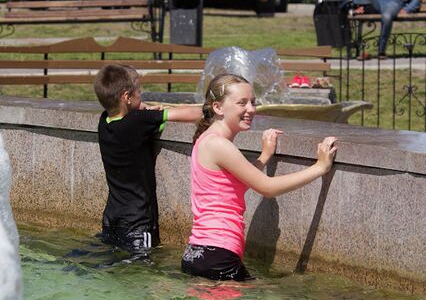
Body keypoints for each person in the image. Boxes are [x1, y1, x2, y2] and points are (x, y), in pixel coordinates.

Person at [181, 74, 337, 281]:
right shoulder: (219, 145)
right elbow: (267, 188)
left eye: (253, 102)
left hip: (198, 253)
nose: (251, 109)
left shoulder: (206, 140)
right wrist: (319, 167)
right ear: (218, 107)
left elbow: (233, 185)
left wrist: (264, 157)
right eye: (242, 103)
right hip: (218, 254)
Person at [93, 64, 202, 257]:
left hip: (112, 219)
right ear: (126, 97)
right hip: (138, 222)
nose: (141, 97)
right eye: (139, 92)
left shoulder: (104, 121)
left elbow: (129, 114)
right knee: (144, 272)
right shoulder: (139, 122)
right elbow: (195, 114)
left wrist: (142, 109)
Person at [350, 0, 421, 58]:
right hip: (379, 1)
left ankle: (381, 50)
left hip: (395, 2)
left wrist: (407, 9)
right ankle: (360, 5)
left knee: (387, 15)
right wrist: (364, 6)